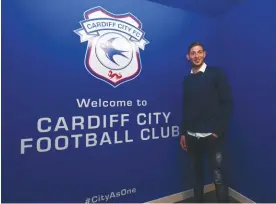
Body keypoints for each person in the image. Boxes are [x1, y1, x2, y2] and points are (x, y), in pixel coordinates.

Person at [180, 42, 233, 202]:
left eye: (199, 52)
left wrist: (218, 131)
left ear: (205, 54)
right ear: (188, 56)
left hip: (212, 136)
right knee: (196, 176)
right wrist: (183, 132)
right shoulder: (187, 79)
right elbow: (186, 107)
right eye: (193, 53)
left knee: (218, 176)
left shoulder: (216, 74)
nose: (196, 56)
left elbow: (227, 103)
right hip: (191, 136)